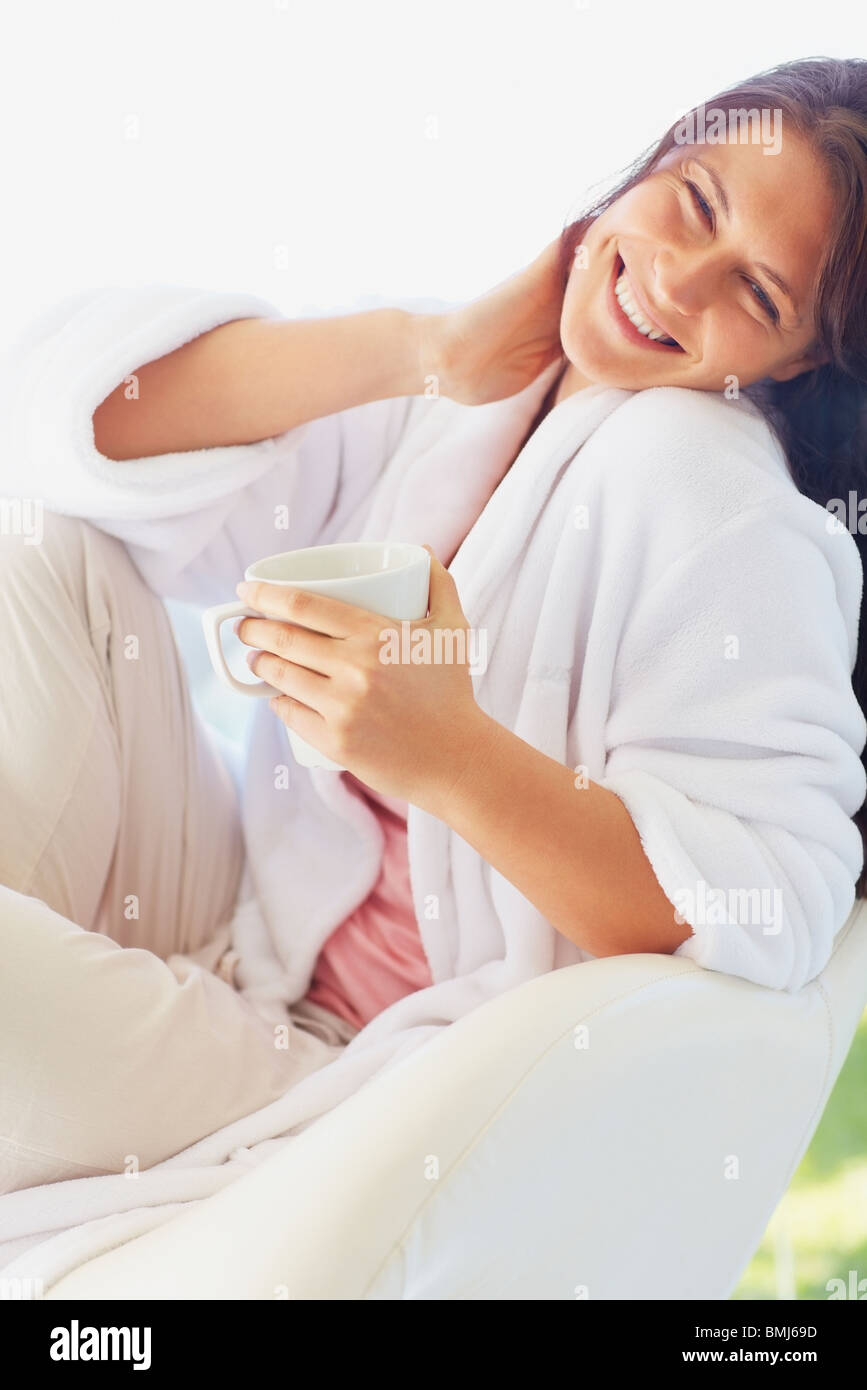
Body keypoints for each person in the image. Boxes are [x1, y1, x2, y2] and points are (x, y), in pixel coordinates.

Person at [1, 56, 865, 1197]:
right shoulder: (491, 387)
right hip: (235, 918)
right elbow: (85, 429)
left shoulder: (728, 513)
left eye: (756, 294)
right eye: (695, 201)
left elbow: (774, 902)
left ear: (798, 360)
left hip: (361, 1067)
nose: (675, 279)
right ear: (657, 157)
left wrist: (447, 753)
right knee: (42, 543)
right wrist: (429, 348)